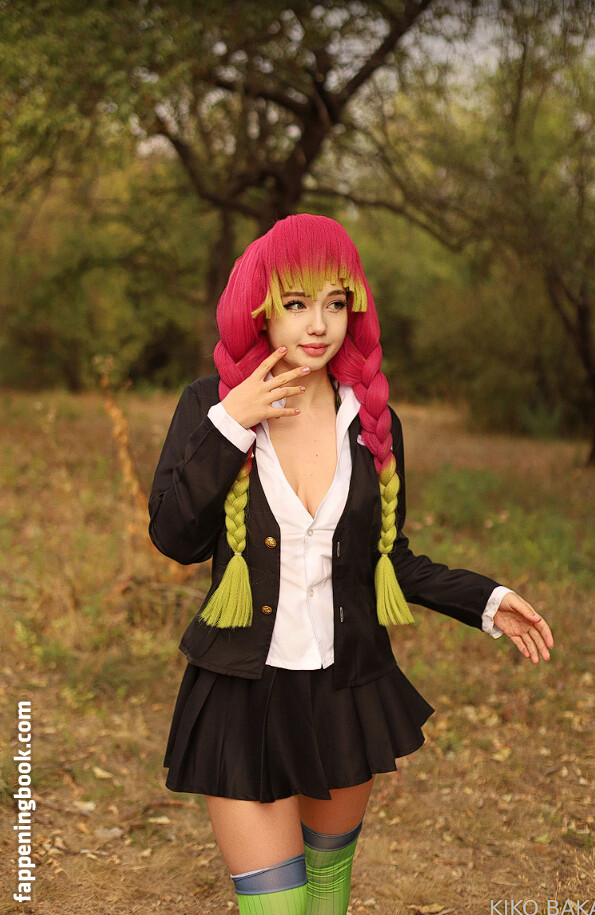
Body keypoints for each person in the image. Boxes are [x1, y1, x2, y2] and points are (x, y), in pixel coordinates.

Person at [148, 213, 554, 915]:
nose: (318, 324)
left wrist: (486, 599)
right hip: (242, 696)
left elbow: (390, 559)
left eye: (335, 303)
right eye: (296, 303)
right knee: (278, 908)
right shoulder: (210, 406)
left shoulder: (369, 418)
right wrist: (233, 422)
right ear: (262, 308)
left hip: (345, 693)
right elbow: (175, 537)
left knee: (326, 900)